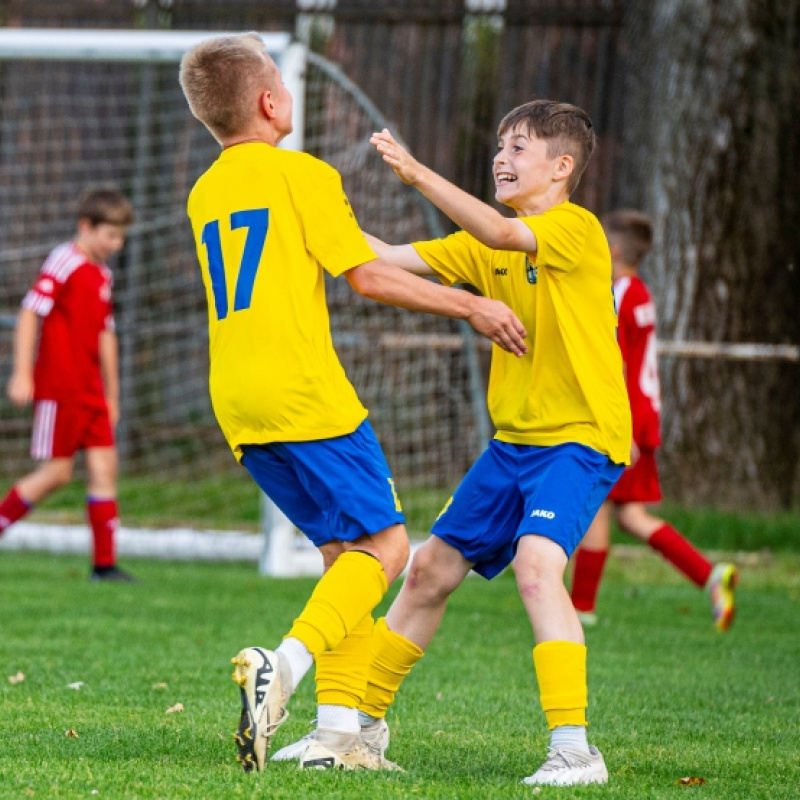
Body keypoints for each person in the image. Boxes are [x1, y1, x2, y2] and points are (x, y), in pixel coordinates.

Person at [178, 33, 528, 774]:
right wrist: (470, 308)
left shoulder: (205, 189)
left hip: (237, 398)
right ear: (272, 102)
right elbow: (365, 275)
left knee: (346, 556)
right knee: (390, 550)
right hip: (303, 390)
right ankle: (284, 668)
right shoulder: (300, 174)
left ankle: (339, 738)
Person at [275, 100, 631, 785]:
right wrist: (311, 221)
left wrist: (417, 174)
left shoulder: (575, 229)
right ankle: (363, 732)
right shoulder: (483, 246)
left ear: (562, 167)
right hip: (514, 445)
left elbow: (500, 231)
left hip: (581, 439)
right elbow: (381, 256)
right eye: (499, 143)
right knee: (430, 570)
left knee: (535, 568)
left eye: (518, 147)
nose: (501, 156)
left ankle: (575, 750)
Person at [570, 209, 738, 631]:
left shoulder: (621, 293)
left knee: (600, 509)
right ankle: (708, 575)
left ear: (611, 250)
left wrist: (618, 424)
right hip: (643, 414)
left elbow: (618, 363)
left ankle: (581, 607)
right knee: (625, 513)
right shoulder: (640, 293)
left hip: (627, 417)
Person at [1, 187, 136, 583]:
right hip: (60, 390)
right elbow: (30, 312)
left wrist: (112, 394)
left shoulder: (102, 275)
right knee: (57, 473)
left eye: (121, 237)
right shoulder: (65, 260)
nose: (117, 244)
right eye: (111, 235)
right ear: (86, 227)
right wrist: (22, 372)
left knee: (104, 467)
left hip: (92, 392)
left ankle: (104, 566)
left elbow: (106, 335)